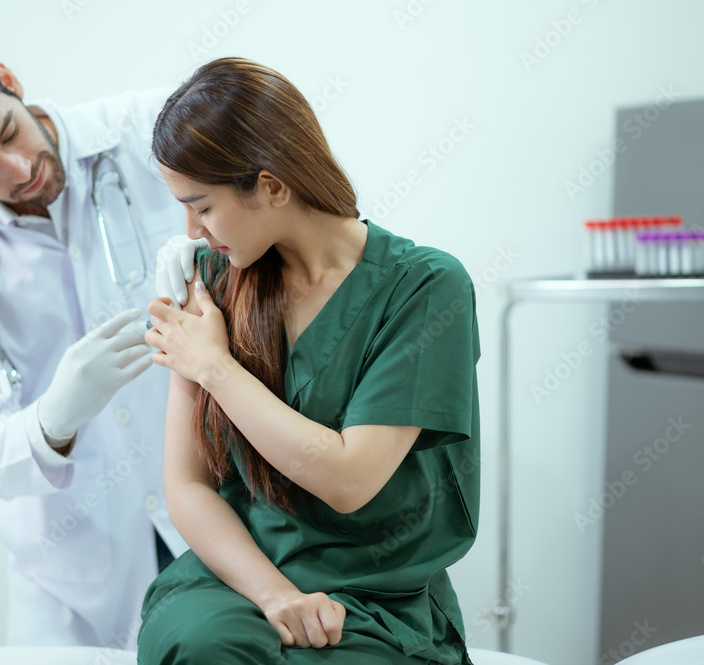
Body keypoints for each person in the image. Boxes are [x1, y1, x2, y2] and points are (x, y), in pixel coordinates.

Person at [138, 57, 481, 664]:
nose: (190, 230)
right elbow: (186, 485)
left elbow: (349, 480)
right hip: (238, 580)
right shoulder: (213, 282)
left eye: (203, 206)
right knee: (202, 647)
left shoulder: (425, 288)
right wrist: (274, 594)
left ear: (272, 186)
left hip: (375, 597)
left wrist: (215, 366)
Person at [0, 37, 202, 649]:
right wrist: (53, 419)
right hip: (74, 573)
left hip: (219, 512)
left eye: (8, 132)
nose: (19, 170)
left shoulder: (149, 131)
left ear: (7, 79)